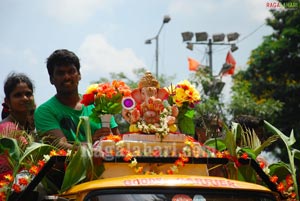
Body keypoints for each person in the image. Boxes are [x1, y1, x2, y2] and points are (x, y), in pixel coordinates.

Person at [34, 49, 119, 150]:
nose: (67, 77)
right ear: (51, 79)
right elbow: (60, 147)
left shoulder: (99, 103)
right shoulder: (44, 111)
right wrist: (92, 144)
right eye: (60, 73)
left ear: (79, 75)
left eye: (71, 71)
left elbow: (119, 141)